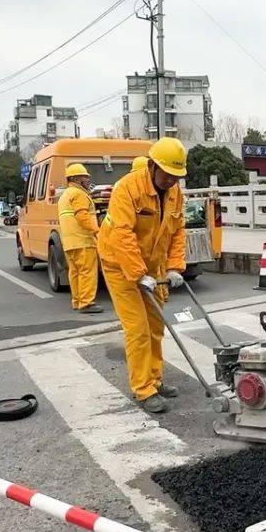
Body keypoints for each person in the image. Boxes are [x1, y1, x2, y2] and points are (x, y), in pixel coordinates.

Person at [98, 138, 188, 414]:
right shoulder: (128, 189)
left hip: (153, 266)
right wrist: (138, 274)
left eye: (176, 176)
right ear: (152, 166)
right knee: (137, 329)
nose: (172, 181)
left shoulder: (175, 193)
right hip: (118, 264)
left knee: (156, 326)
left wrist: (175, 267)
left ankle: (155, 378)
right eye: (168, 174)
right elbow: (123, 234)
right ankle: (143, 389)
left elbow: (177, 232)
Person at [58, 163, 103, 314]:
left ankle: (77, 301)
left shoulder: (65, 195)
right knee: (87, 272)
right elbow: (82, 216)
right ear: (76, 179)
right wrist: (98, 231)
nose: (88, 179)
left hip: (69, 242)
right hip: (83, 240)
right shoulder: (79, 194)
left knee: (75, 272)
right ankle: (87, 303)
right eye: (85, 177)